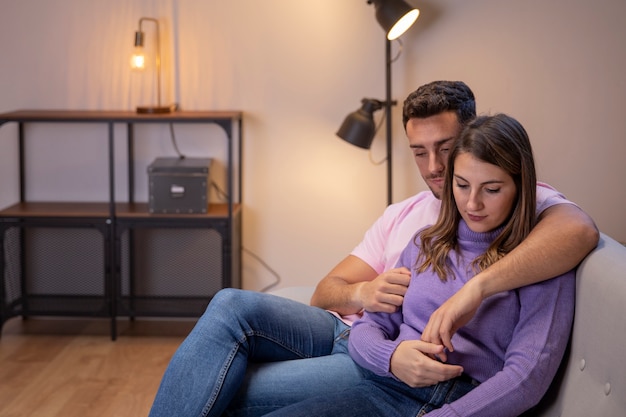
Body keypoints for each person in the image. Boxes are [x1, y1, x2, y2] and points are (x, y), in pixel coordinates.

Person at [148, 81, 597, 417]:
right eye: (420, 153)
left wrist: (476, 289)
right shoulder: (421, 231)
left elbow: (578, 234)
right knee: (226, 312)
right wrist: (367, 303)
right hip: (371, 348)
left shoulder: (539, 236)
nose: (435, 168)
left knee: (217, 385)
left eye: (444, 148)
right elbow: (329, 294)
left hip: (432, 386)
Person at [262, 113, 576, 417]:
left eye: (491, 189)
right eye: (462, 185)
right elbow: (370, 326)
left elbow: (526, 379)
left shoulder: (538, 262)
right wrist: (391, 355)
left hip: (458, 398)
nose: (472, 204)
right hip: (386, 383)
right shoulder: (426, 243)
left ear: (521, 187)